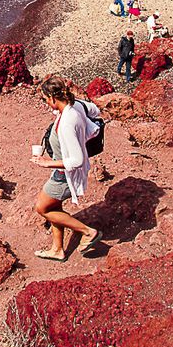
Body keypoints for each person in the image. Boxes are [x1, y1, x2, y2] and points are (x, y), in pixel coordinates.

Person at [32, 76, 103, 262]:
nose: (47, 104)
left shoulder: (67, 123)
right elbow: (95, 110)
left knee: (43, 208)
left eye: (46, 99)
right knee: (54, 206)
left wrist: (47, 163)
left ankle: (88, 232)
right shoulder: (75, 106)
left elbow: (77, 159)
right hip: (62, 171)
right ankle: (57, 249)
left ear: (53, 98)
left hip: (64, 175)